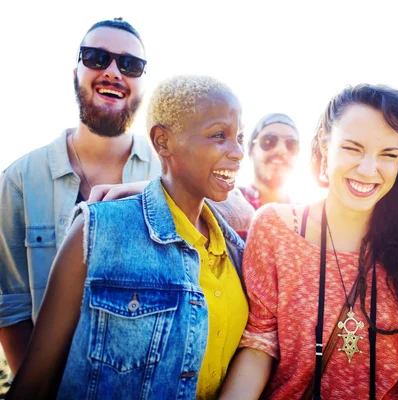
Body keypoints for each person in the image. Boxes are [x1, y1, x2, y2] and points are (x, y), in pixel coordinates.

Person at [0, 18, 253, 377]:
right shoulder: (19, 180)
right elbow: (10, 306)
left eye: (131, 65)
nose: (114, 72)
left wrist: (152, 190)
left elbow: (239, 212)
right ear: (76, 71)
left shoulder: (171, 162)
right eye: (97, 58)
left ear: (142, 84)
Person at [219, 84, 398, 399]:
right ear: (324, 145)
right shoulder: (275, 227)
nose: (368, 169)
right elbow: (259, 345)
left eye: (388, 154)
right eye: (353, 148)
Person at [239, 113, 300, 210]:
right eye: (268, 141)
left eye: (291, 144)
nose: (281, 149)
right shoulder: (225, 205)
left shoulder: (306, 218)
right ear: (251, 150)